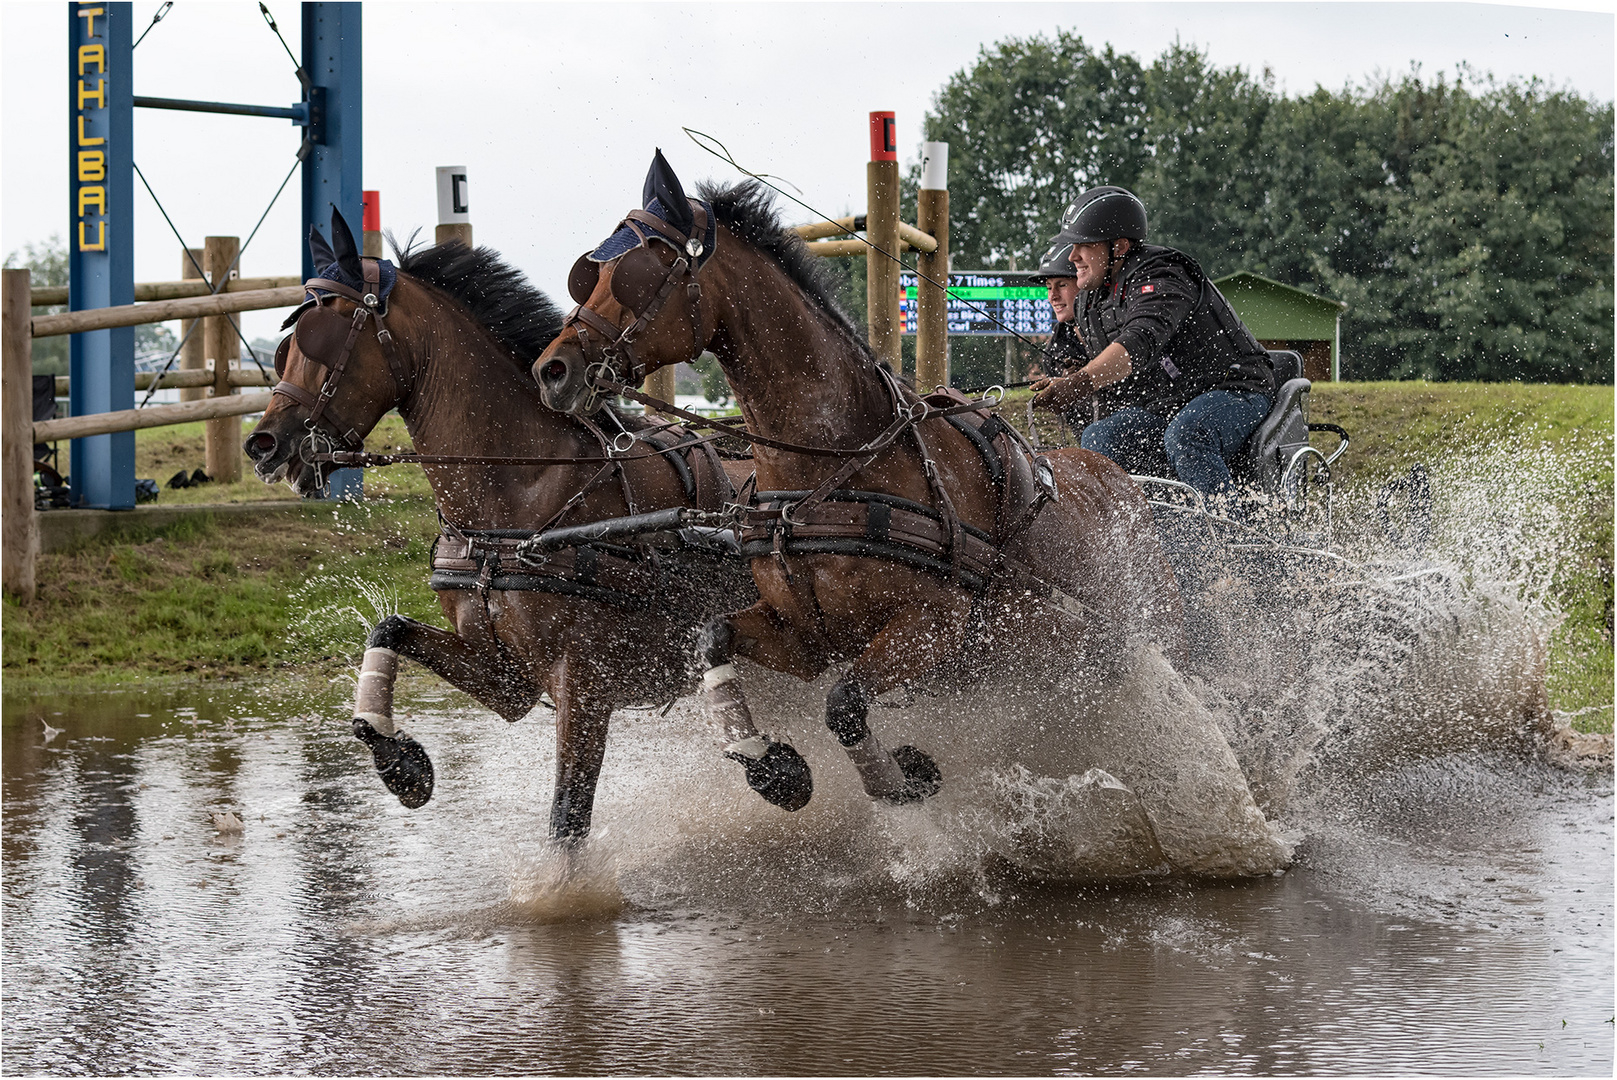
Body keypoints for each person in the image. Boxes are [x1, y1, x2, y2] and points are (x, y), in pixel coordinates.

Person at [1029, 186, 1275, 500]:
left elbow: (1137, 343)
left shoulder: (1163, 275)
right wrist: (1067, 378)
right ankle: (1140, 538)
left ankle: (1229, 542)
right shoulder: (1089, 298)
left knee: (1188, 434)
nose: (1073, 256)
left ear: (1118, 246)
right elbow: (1107, 370)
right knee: (1099, 438)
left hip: (1236, 390)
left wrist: (1079, 383)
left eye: (1084, 246)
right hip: (1170, 407)